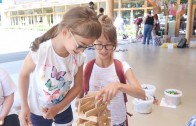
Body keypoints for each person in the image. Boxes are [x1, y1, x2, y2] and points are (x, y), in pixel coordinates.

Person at [18, 7, 102, 126]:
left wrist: (58, 108)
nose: (82, 50)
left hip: (63, 109)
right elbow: (23, 75)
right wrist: (24, 106)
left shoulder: (78, 57)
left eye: (87, 47)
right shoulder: (41, 52)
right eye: (80, 45)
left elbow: (78, 86)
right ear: (65, 32)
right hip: (38, 110)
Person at [79, 15, 145, 126]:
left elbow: (142, 94)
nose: (104, 50)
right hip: (94, 122)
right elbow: (79, 98)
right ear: (93, 42)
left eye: (108, 44)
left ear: (114, 44)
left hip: (118, 122)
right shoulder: (86, 68)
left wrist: (119, 86)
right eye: (99, 44)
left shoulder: (122, 67)